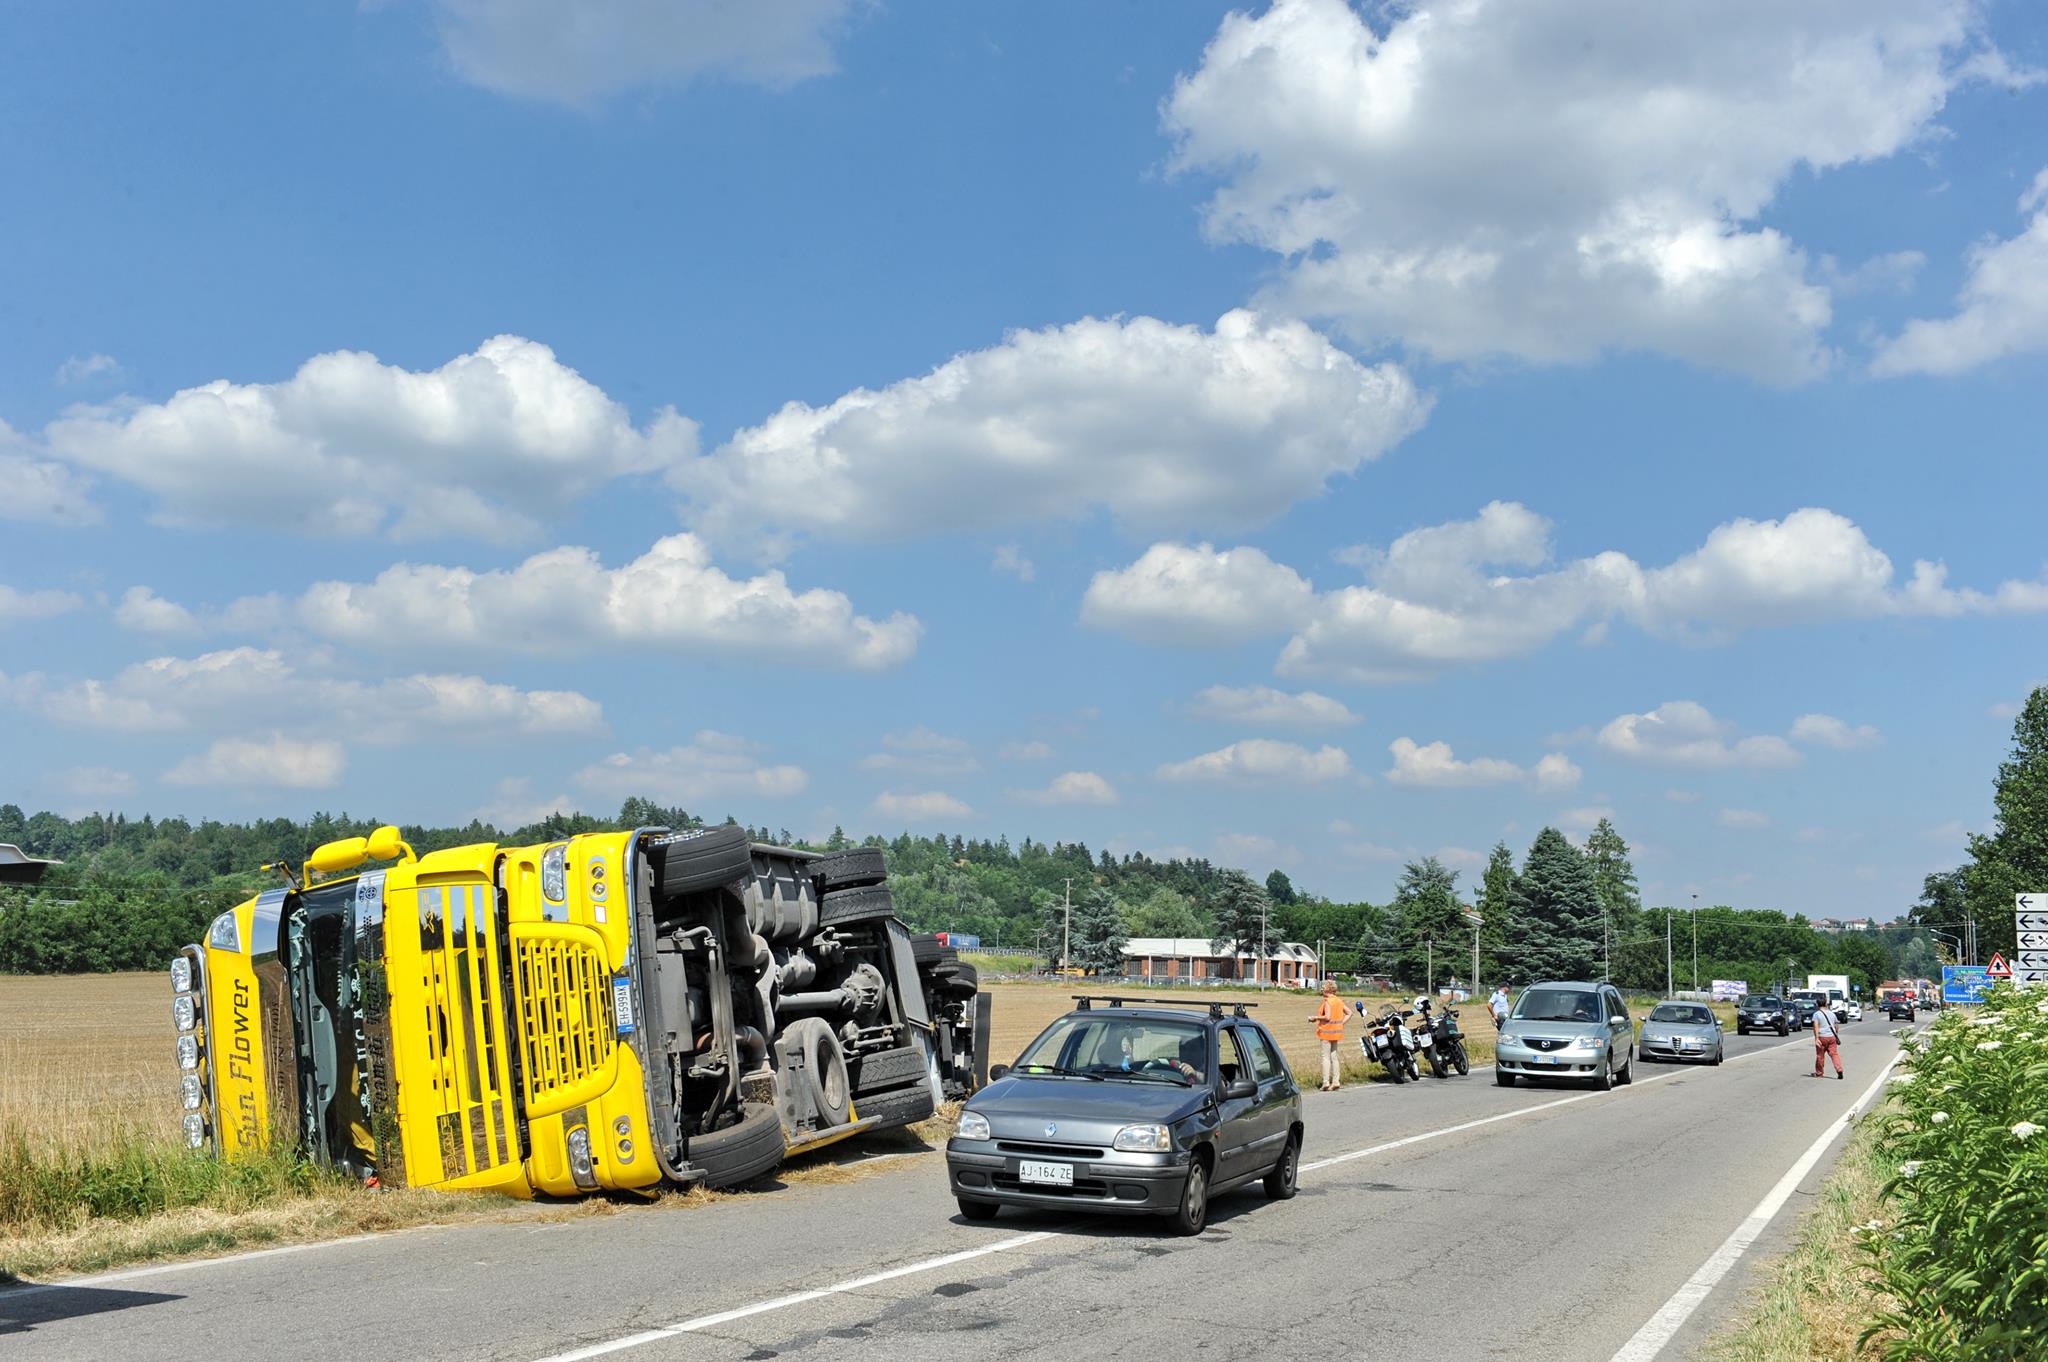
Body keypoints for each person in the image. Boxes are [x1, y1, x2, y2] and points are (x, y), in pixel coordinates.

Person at [1312, 979, 1348, 1091]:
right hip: (1336, 1033)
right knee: (1334, 1057)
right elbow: (1349, 1013)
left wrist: (1315, 1018)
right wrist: (1341, 1023)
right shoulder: (1338, 1001)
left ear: (1327, 989)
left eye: (1323, 987)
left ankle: (1326, 1082)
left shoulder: (1328, 1002)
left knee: (1325, 1057)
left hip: (1326, 1032)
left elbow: (1327, 1017)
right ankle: (1336, 1081)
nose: (1321, 989)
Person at [1811, 997, 1844, 1079]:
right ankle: (1839, 1069)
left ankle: (1819, 1073)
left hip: (1822, 1037)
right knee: (1834, 1054)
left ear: (1817, 1004)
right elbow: (1836, 1026)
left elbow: (1815, 1027)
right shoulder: (1832, 1014)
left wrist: (1816, 1038)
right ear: (1826, 1004)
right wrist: (1836, 1035)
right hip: (1832, 1037)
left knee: (1820, 1056)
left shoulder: (1816, 1014)